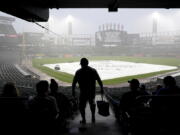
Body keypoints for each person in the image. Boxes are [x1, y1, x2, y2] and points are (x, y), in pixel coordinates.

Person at [72, 58, 104, 124]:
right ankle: (93, 117)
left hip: (83, 92)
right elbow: (99, 80)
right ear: (87, 63)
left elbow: (74, 83)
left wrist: (73, 91)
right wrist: (102, 89)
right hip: (91, 91)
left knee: (81, 106)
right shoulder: (93, 70)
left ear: (81, 64)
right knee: (92, 103)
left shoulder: (78, 72)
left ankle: (84, 119)